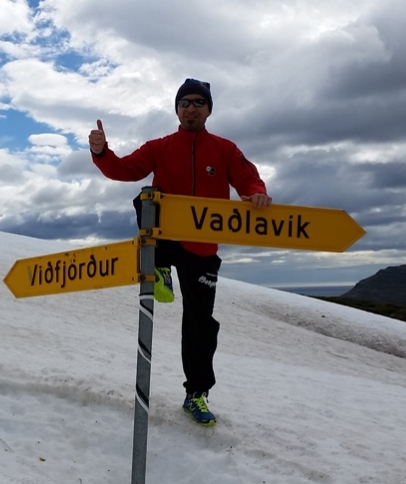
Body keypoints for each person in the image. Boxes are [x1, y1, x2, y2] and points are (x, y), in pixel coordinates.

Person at [89, 78, 272, 426]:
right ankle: (158, 269)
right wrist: (101, 152)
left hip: (202, 249)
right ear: (177, 109)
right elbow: (124, 169)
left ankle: (196, 395)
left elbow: (248, 178)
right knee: (145, 199)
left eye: (198, 103)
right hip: (166, 239)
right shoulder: (160, 146)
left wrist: (256, 193)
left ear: (208, 110)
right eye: (185, 102)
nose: (191, 108)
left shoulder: (225, 149)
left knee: (201, 326)